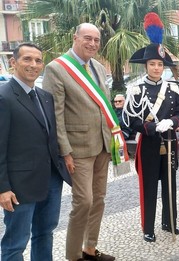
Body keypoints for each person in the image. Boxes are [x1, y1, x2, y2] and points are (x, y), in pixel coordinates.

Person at [42, 23, 115, 261]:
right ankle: (73, 256)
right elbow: (56, 115)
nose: (92, 44)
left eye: (96, 39)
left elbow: (102, 104)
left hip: (103, 144)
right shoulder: (56, 68)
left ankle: (90, 249)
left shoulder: (98, 67)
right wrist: (65, 151)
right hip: (78, 149)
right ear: (75, 38)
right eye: (87, 38)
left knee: (99, 199)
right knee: (83, 202)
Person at [0, 43, 70, 260]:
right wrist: (3, 188)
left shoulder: (45, 96)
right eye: (27, 59)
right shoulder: (4, 97)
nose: (33, 65)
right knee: (15, 243)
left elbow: (49, 136)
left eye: (38, 60)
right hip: (19, 186)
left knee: (44, 233)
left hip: (50, 180)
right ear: (14, 63)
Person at [123, 12, 179, 242]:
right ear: (146, 65)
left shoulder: (173, 88)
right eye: (153, 64)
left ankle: (170, 222)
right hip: (149, 144)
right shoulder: (135, 89)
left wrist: (173, 122)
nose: (157, 68)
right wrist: (150, 129)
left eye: (160, 64)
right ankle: (148, 227)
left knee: (170, 185)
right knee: (148, 187)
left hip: (169, 142)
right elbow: (129, 120)